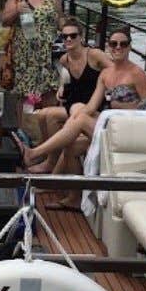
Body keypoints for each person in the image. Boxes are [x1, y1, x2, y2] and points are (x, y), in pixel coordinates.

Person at [12, 25, 146, 177]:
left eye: (123, 44)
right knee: (72, 141)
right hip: (111, 123)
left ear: (129, 47)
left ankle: (34, 154)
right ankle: (62, 187)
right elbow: (91, 106)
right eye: (113, 44)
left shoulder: (136, 74)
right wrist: (72, 122)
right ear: (108, 46)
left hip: (129, 129)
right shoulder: (105, 74)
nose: (118, 47)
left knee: (80, 118)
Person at [29, 17, 111, 174]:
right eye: (64, 36)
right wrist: (61, 86)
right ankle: (50, 158)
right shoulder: (64, 59)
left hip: (92, 106)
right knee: (42, 114)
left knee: (51, 117)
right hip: (74, 103)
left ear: (81, 37)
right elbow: (66, 79)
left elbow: (116, 71)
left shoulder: (94, 55)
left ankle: (50, 162)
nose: (68, 39)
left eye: (73, 35)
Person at [1, 0, 63, 114]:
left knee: (49, 93)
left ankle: (46, 125)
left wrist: (72, 32)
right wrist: (17, 10)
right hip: (25, 55)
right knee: (25, 97)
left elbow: (60, 20)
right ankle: (24, 128)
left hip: (47, 54)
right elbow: (5, 21)